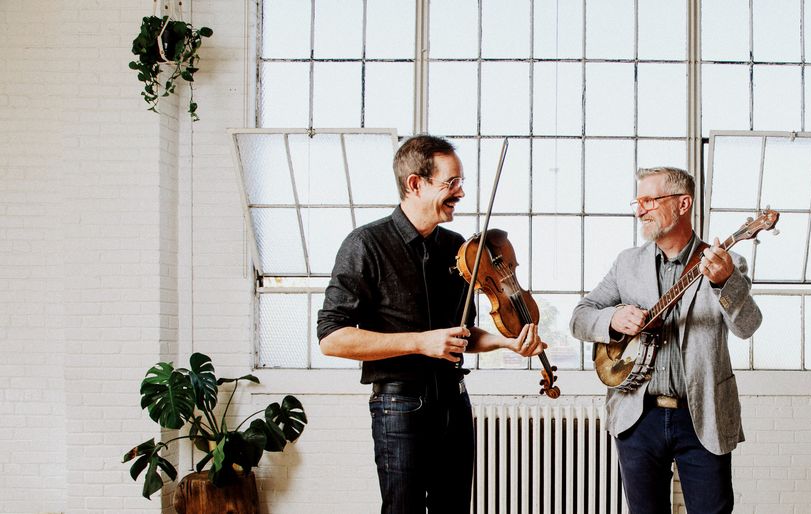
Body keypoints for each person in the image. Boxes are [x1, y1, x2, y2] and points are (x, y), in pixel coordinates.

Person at [317, 135, 544, 514]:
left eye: (461, 182)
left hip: (455, 400)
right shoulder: (365, 245)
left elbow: (462, 336)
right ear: (415, 184)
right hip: (400, 403)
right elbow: (331, 338)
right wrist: (420, 342)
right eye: (451, 183)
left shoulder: (457, 248)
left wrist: (507, 343)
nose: (460, 193)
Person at [571, 166, 762, 514]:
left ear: (683, 203)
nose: (639, 209)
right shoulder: (626, 263)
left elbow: (748, 325)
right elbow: (580, 316)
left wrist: (724, 283)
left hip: (702, 415)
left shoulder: (728, 262)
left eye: (649, 200)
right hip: (637, 417)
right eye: (637, 201)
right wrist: (612, 318)